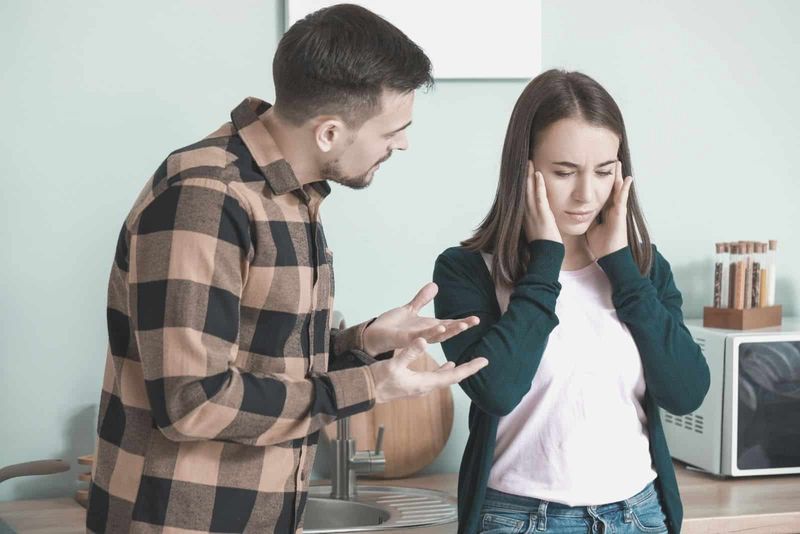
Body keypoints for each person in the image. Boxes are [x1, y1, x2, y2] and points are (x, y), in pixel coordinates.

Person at [87, 4, 487, 532]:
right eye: (393, 129)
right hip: (182, 520)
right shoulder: (208, 198)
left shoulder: (290, 196)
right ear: (328, 133)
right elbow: (193, 402)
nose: (402, 143)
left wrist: (363, 342)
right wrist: (371, 386)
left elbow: (264, 359)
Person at [433, 69, 710, 534]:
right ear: (524, 167)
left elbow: (685, 393)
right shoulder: (467, 272)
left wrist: (621, 267)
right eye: (564, 172)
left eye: (604, 172)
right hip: (520, 519)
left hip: (638, 516)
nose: (586, 194)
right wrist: (545, 261)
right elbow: (497, 390)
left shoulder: (641, 269)